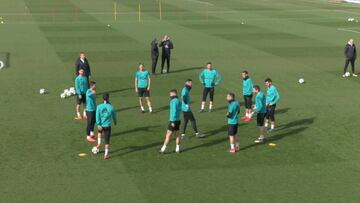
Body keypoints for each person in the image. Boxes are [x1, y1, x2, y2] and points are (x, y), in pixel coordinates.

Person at [94, 93, 117, 160]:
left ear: (102, 98)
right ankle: (106, 154)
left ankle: (99, 144)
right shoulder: (111, 107)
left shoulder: (99, 106)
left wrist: (98, 124)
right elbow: (114, 116)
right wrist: (115, 122)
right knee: (107, 141)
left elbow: (97, 116)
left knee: (99, 133)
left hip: (100, 125)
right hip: (107, 126)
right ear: (108, 98)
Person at [159, 89, 182, 154]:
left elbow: (173, 111)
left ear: (173, 94)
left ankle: (163, 149)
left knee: (168, 135)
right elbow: (180, 110)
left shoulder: (173, 101)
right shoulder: (179, 101)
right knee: (177, 135)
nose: (170, 96)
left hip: (173, 121)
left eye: (170, 94)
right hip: (178, 120)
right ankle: (177, 149)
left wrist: (172, 121)